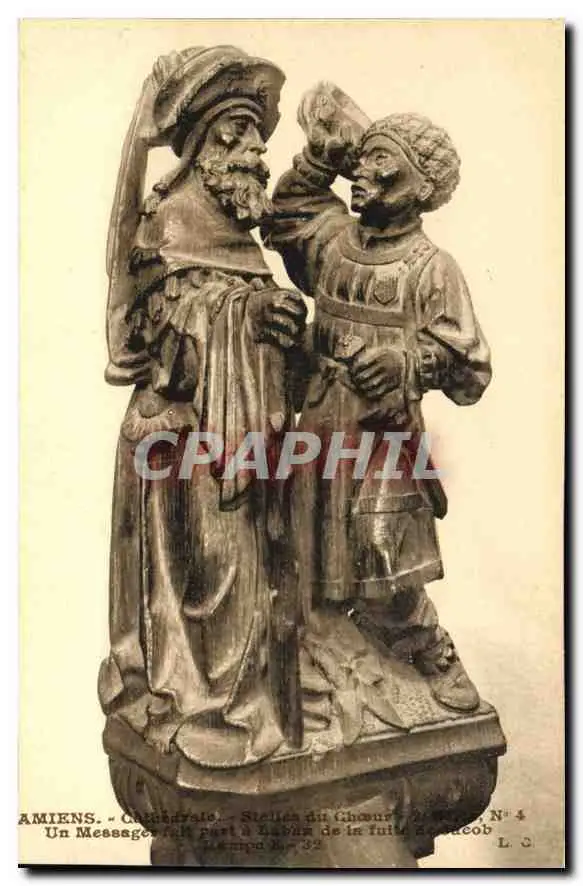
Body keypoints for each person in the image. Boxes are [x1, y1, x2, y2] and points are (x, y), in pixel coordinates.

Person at [98, 46, 306, 767]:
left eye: (256, 136)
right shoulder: (171, 221)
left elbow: (245, 311)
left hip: (232, 434)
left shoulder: (235, 228)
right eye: (235, 134)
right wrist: (249, 316)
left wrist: (281, 325)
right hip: (181, 441)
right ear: (200, 147)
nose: (255, 151)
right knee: (209, 572)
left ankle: (243, 707)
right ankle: (203, 707)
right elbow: (169, 332)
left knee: (244, 567)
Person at [264, 88, 492, 712]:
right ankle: (323, 657)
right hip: (316, 419)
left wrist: (407, 362)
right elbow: (287, 213)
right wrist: (320, 158)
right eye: (361, 159)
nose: (362, 172)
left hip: (380, 435)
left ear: (422, 189)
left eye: (382, 162)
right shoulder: (333, 240)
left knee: (382, 548)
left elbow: (472, 368)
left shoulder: (430, 268)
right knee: (303, 540)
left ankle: (428, 648)